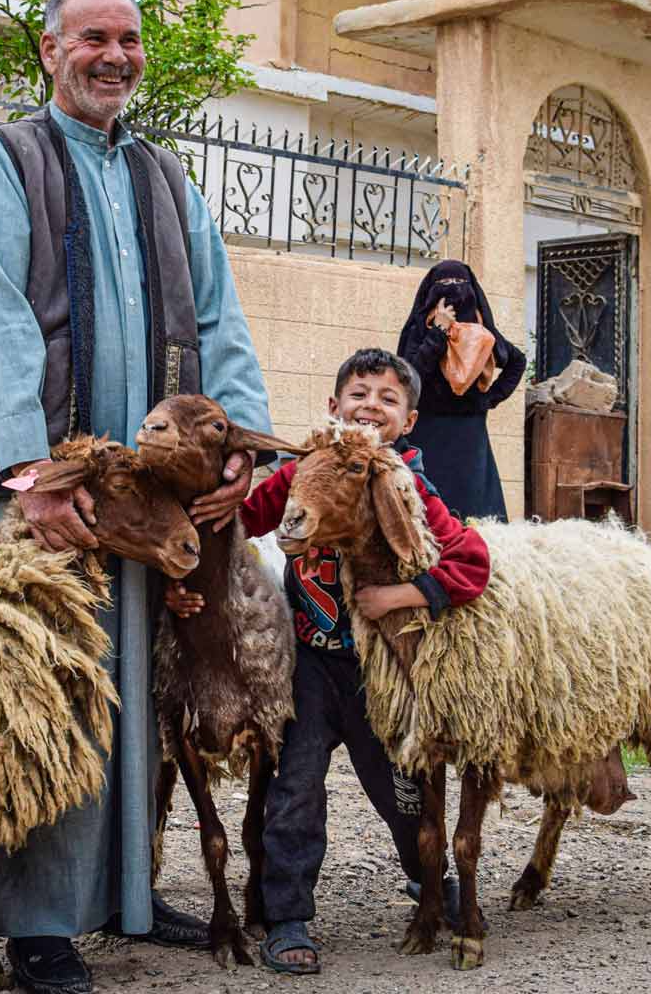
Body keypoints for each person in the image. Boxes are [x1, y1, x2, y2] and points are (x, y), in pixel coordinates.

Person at [0, 0, 273, 994]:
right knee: (30, 706)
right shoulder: (5, 160)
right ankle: (30, 928)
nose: (115, 56)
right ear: (48, 50)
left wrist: (237, 447)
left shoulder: (166, 180)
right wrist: (36, 475)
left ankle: (124, 902)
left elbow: (220, 318)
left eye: (129, 40)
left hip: (143, 510)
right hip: (42, 505)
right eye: (93, 39)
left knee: (131, 697)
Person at [167, 348, 491, 974]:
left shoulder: (408, 483)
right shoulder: (302, 472)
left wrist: (399, 595)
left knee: (402, 790)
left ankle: (430, 880)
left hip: (378, 673)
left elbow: (472, 562)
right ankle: (288, 915)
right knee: (295, 789)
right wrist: (186, 571)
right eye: (359, 392)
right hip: (307, 665)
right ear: (332, 406)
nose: (371, 405)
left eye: (388, 398)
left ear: (410, 420)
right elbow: (236, 523)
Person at [396, 259, 526, 521]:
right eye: (443, 283)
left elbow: (517, 361)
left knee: (474, 510)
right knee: (427, 509)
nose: (452, 289)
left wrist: (490, 399)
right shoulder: (420, 329)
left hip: (469, 433)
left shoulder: (482, 331)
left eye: (459, 282)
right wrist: (439, 331)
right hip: (427, 429)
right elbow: (410, 375)